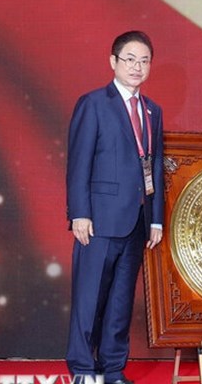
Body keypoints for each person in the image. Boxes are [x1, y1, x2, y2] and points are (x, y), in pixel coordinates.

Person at [65, 30, 164, 384]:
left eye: (144, 61)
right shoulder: (93, 103)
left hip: (137, 220)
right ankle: (81, 369)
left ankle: (112, 369)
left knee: (121, 302)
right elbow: (79, 162)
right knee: (90, 298)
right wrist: (79, 212)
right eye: (130, 59)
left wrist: (156, 219)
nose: (137, 67)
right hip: (99, 220)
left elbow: (153, 165)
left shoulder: (152, 110)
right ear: (113, 62)